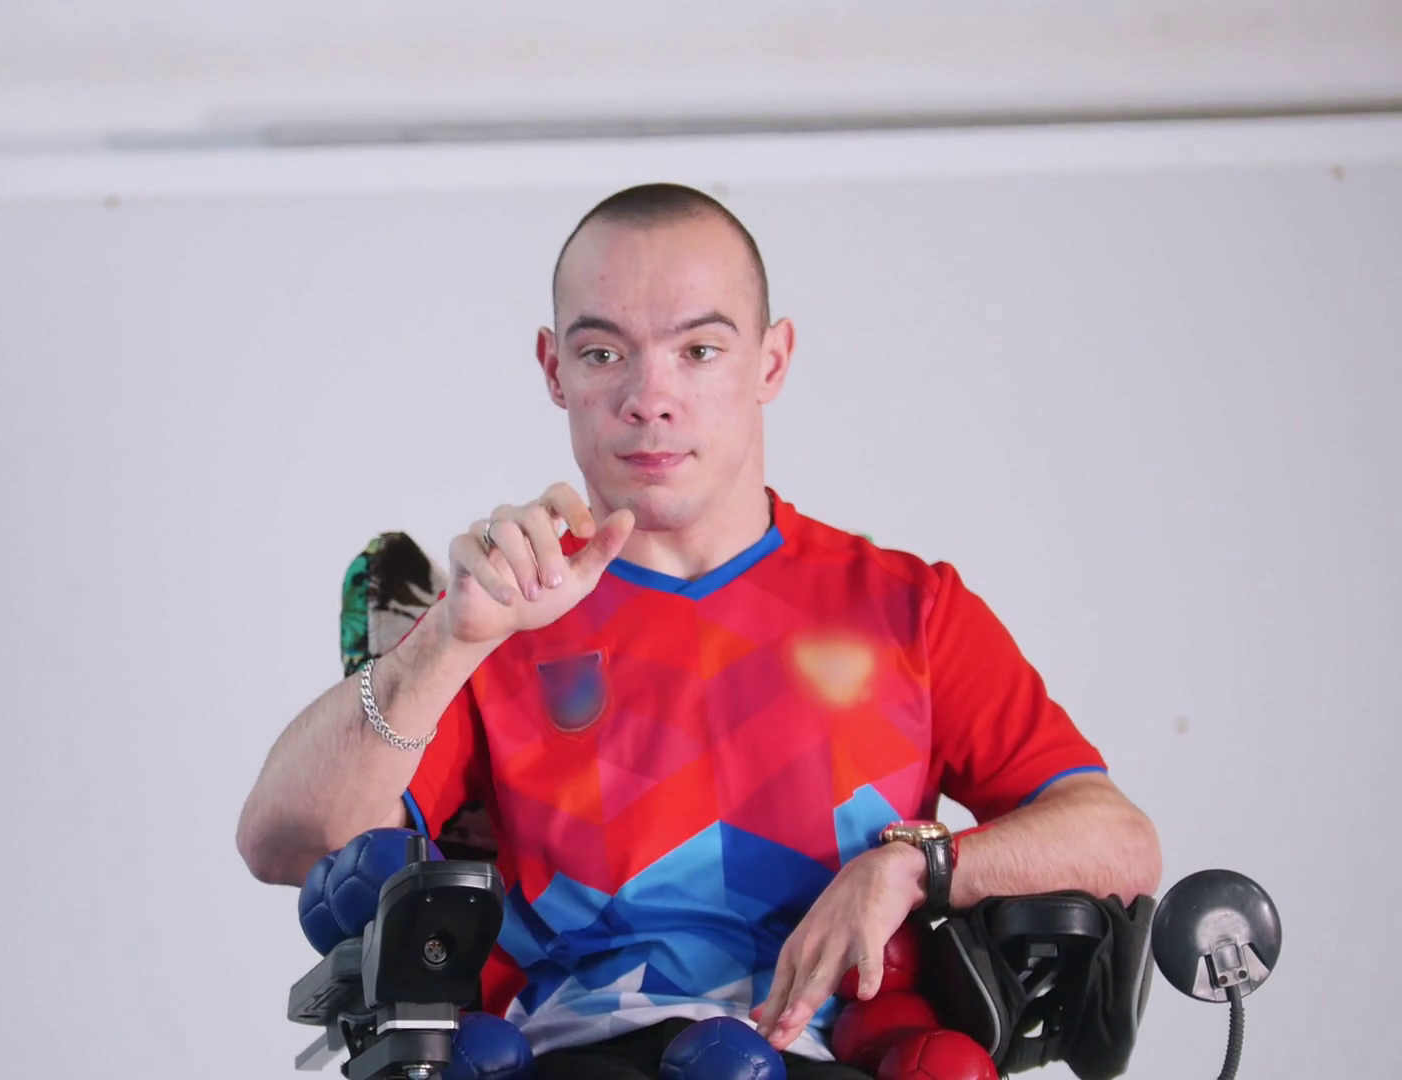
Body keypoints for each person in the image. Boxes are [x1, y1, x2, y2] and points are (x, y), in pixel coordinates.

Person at [235, 183, 1163, 1078]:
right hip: (568, 1058)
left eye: (700, 350)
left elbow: (1118, 841)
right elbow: (281, 842)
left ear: (772, 361)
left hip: (839, 1052)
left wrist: (921, 869)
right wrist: (450, 641)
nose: (650, 397)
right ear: (554, 369)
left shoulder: (908, 609)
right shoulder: (504, 614)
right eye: (604, 353)